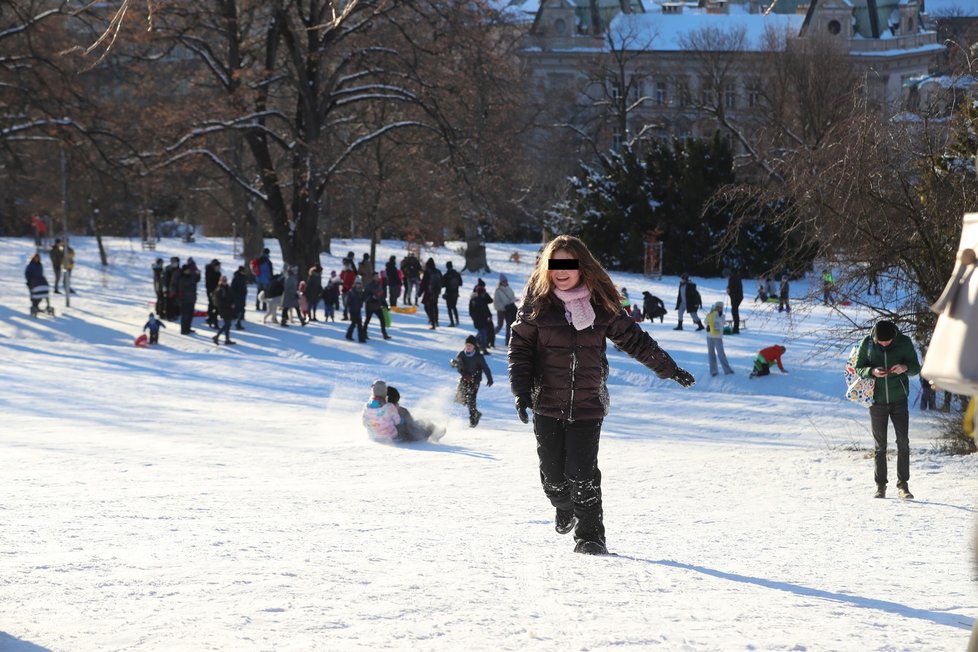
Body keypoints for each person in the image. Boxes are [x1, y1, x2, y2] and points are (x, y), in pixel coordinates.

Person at [508, 235, 695, 556]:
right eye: (556, 265)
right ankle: (563, 505)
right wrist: (521, 390)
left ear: (583, 267)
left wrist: (669, 368)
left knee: (582, 473)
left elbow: (636, 340)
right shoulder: (537, 303)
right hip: (547, 402)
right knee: (554, 478)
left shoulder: (601, 305)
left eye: (569, 264)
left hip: (587, 403)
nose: (561, 272)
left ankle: (590, 536)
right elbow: (520, 347)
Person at [854, 320, 921, 499]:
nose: (885, 344)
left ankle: (903, 485)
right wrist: (872, 371)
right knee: (880, 446)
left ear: (894, 335)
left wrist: (905, 367)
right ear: (875, 336)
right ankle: (880, 486)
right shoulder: (867, 343)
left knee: (903, 442)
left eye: (888, 341)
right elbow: (858, 368)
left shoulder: (904, 342)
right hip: (876, 401)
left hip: (899, 399)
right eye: (881, 341)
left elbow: (916, 368)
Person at [452, 334, 493, 427]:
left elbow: (486, 368)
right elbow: (458, 366)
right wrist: (464, 374)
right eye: (467, 345)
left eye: (470, 345)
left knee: (471, 399)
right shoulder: (461, 354)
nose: (468, 347)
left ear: (474, 346)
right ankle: (476, 413)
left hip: (475, 380)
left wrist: (489, 379)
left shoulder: (478, 356)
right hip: (464, 378)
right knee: (460, 397)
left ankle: (473, 419)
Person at [705, 301, 734, 377]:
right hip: (709, 336)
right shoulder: (710, 314)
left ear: (722, 308)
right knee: (711, 354)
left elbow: (721, 323)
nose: (718, 308)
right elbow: (706, 321)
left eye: (720, 307)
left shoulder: (722, 316)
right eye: (717, 307)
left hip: (718, 337)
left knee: (721, 354)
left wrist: (717, 316)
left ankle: (727, 370)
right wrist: (711, 315)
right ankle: (713, 370)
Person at [363, 271, 391, 340]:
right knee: (367, 320)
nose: (377, 277)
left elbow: (382, 296)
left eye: (378, 276)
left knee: (382, 320)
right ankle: (364, 333)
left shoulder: (379, 285)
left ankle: (384, 334)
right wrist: (371, 298)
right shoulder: (369, 286)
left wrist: (386, 306)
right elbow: (365, 297)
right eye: (376, 276)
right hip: (370, 306)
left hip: (377, 306)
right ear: (372, 277)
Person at [211, 276, 237, 345]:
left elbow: (232, 296)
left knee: (228, 325)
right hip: (223, 309)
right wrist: (229, 304)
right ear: (220, 281)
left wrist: (233, 303)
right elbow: (219, 302)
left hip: (229, 309)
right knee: (227, 324)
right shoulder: (219, 290)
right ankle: (217, 336)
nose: (224, 282)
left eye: (225, 280)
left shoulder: (228, 288)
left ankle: (227, 339)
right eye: (223, 281)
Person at [469, 283, 494, 354]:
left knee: (481, 333)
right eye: (484, 293)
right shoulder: (476, 300)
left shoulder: (482, 299)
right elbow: (473, 311)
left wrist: (488, 316)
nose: (484, 294)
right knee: (483, 335)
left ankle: (472, 343)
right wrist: (474, 318)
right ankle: (484, 349)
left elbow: (490, 301)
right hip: (479, 320)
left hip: (483, 320)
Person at [493, 273, 518, 346]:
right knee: (499, 325)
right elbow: (496, 302)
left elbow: (513, 297)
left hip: (509, 310)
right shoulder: (498, 291)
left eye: (506, 281)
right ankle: (490, 335)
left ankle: (508, 341)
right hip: (501, 310)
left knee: (509, 326)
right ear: (501, 282)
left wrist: (510, 304)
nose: (505, 282)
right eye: (503, 281)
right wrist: (504, 306)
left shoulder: (509, 288)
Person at [420, 258, 443, 329]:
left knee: (428, 307)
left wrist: (420, 292)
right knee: (435, 306)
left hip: (429, 292)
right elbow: (442, 281)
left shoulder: (427, 272)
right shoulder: (438, 271)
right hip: (436, 291)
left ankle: (432, 321)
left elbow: (424, 282)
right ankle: (436, 321)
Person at [345, 278, 366, 342]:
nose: (358, 285)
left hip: (358, 310)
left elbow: (363, 299)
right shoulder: (352, 292)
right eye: (357, 283)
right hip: (352, 310)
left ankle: (350, 335)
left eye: (359, 283)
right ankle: (360, 338)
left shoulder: (361, 292)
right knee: (355, 323)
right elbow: (348, 301)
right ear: (354, 284)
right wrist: (347, 309)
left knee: (356, 324)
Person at [443, 261, 463, 327]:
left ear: (447, 267)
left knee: (449, 308)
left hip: (448, 293)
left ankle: (452, 322)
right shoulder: (457, 274)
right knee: (454, 307)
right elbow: (460, 283)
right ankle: (457, 320)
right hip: (456, 293)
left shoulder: (446, 275)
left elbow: (443, 284)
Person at [230, 265, 249, 330]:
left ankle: (239, 320)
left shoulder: (243, 277)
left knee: (241, 309)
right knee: (238, 310)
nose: (245, 272)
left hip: (242, 296)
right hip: (237, 297)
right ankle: (237, 322)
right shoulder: (236, 278)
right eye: (243, 271)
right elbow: (233, 288)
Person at [204, 259, 222, 329]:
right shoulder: (210, 273)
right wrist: (212, 291)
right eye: (218, 266)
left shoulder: (218, 273)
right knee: (212, 305)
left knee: (215, 306)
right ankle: (211, 319)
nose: (219, 268)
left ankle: (212, 318)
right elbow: (209, 284)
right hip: (211, 291)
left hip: (217, 292)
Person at [726, 268, 744, 334]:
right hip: (738, 296)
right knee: (734, 311)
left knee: (734, 312)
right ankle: (736, 328)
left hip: (736, 297)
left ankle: (736, 329)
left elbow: (732, 289)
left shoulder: (732, 278)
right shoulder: (735, 277)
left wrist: (728, 291)